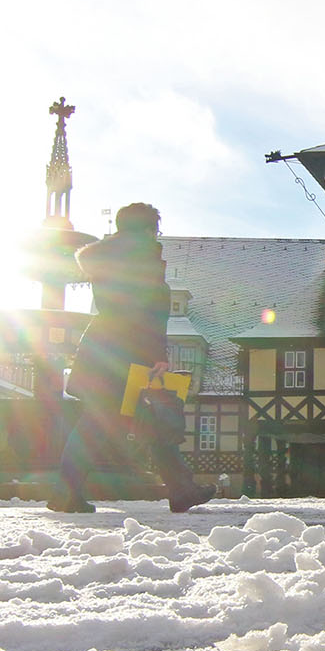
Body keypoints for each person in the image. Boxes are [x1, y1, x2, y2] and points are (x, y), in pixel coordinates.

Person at [52, 202, 213, 513]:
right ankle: (66, 492)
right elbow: (146, 311)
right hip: (128, 354)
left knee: (129, 422)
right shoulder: (141, 257)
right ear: (149, 227)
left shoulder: (107, 259)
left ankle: (181, 489)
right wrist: (157, 355)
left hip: (102, 349)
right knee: (114, 424)